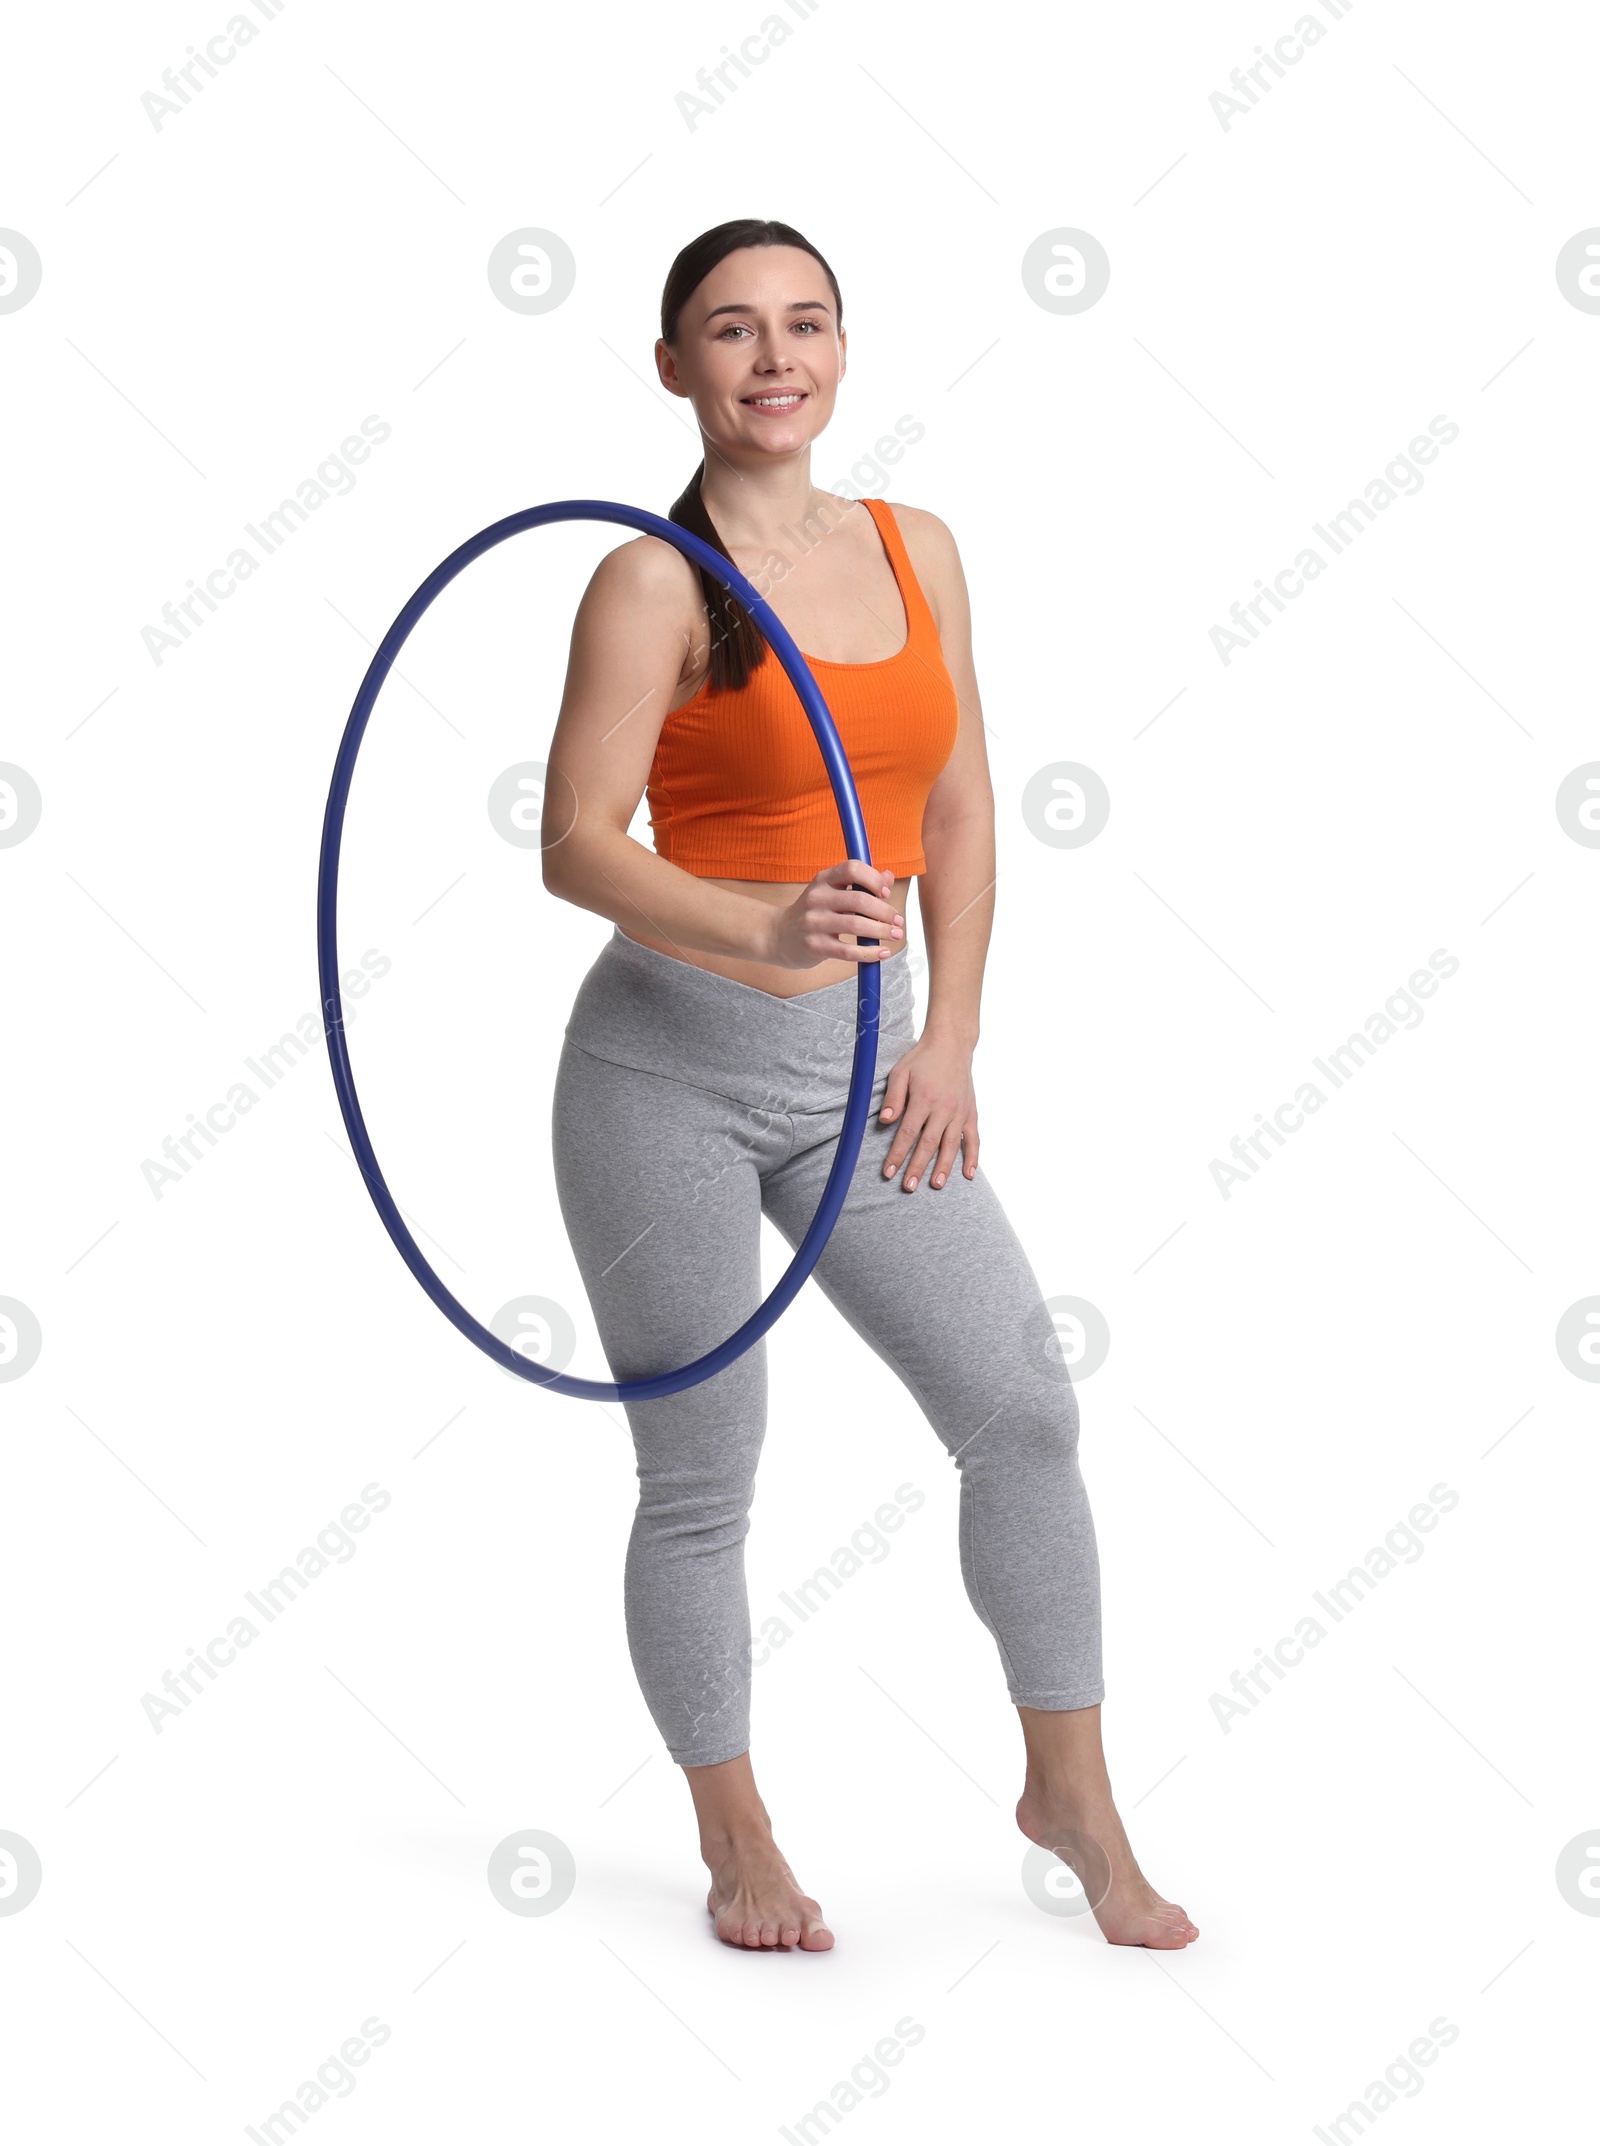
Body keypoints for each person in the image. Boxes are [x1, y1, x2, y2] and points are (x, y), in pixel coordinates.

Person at [541, 218, 1197, 1953]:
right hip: (660, 1077)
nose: (776, 360)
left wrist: (950, 1031)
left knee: (1025, 1408)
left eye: (806, 325)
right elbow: (573, 848)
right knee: (705, 1473)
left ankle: (1076, 1793)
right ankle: (736, 1833)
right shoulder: (650, 584)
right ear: (672, 364)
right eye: (733, 331)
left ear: (844, 350)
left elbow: (964, 803)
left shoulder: (920, 548)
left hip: (866, 1073)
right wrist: (757, 922)